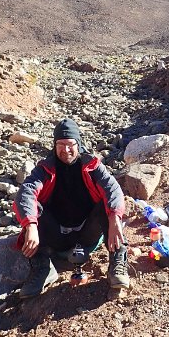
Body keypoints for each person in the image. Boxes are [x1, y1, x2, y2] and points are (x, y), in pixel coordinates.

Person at [13, 117, 129, 298]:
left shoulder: (92, 166)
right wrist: (31, 226)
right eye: (60, 144)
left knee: (106, 207)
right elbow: (26, 192)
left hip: (87, 233)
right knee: (35, 209)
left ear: (78, 144)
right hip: (57, 235)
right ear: (54, 145)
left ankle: (117, 263)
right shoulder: (45, 168)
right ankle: (42, 269)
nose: (65, 150)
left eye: (70, 144)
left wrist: (115, 219)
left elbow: (112, 189)